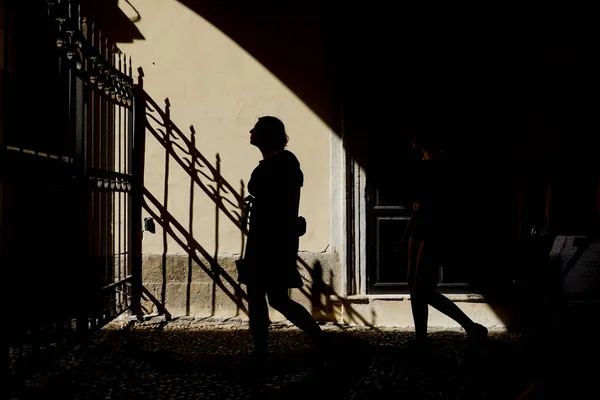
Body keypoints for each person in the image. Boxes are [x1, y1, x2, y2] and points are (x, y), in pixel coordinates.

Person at [240, 116, 328, 367]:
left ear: (265, 134)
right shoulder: (286, 163)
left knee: (260, 296)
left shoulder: (276, 165)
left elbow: (277, 203)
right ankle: (319, 340)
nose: (250, 131)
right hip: (276, 237)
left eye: (255, 128)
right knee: (276, 297)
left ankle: (261, 355)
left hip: (269, 238)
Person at [397, 132, 488, 348]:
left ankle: (471, 327)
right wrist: (405, 236)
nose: (413, 138)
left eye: (416, 135)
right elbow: (416, 206)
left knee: (421, 289)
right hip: (421, 228)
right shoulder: (424, 164)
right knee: (414, 285)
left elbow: (442, 202)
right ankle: (421, 338)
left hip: (436, 228)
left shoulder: (441, 163)